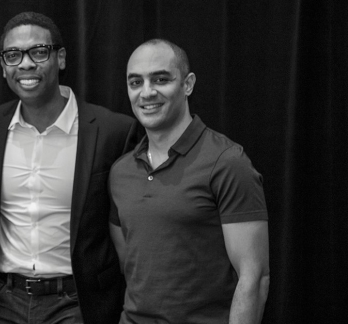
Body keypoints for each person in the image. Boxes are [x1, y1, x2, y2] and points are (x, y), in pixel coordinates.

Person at [0, 11, 139, 324]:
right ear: (3, 66)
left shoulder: (113, 131)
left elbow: (132, 229)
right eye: (13, 55)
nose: (25, 64)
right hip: (3, 302)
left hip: (78, 304)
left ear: (60, 58)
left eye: (39, 52)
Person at [109, 38, 270, 323]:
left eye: (160, 79)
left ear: (187, 84)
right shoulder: (120, 171)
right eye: (136, 82)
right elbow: (130, 264)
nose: (147, 92)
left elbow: (254, 278)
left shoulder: (227, 162)